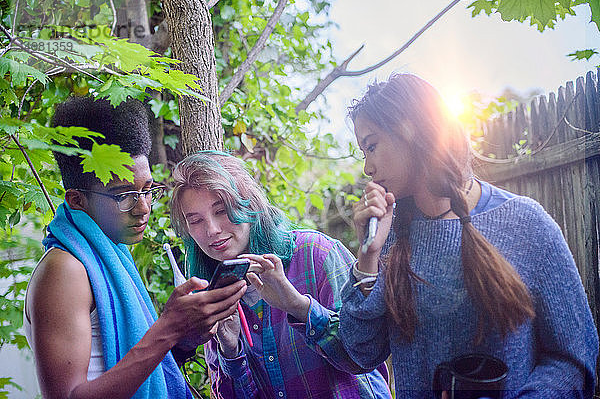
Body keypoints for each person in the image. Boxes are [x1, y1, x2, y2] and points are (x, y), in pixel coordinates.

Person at [338, 74, 599, 398]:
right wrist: (367, 258)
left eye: (371, 146)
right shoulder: (388, 238)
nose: (367, 168)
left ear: (410, 131)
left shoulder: (527, 224)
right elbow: (358, 353)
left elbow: (575, 359)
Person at [24, 97, 247, 399]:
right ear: (77, 200)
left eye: (146, 190)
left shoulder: (112, 253)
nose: (143, 208)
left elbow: (135, 374)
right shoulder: (65, 269)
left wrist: (180, 341)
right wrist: (166, 330)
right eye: (123, 195)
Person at [169, 151, 391, 399]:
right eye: (195, 220)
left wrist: (298, 306)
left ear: (249, 203)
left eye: (221, 211)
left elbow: (364, 356)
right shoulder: (214, 294)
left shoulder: (316, 254)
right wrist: (230, 350)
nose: (211, 230)